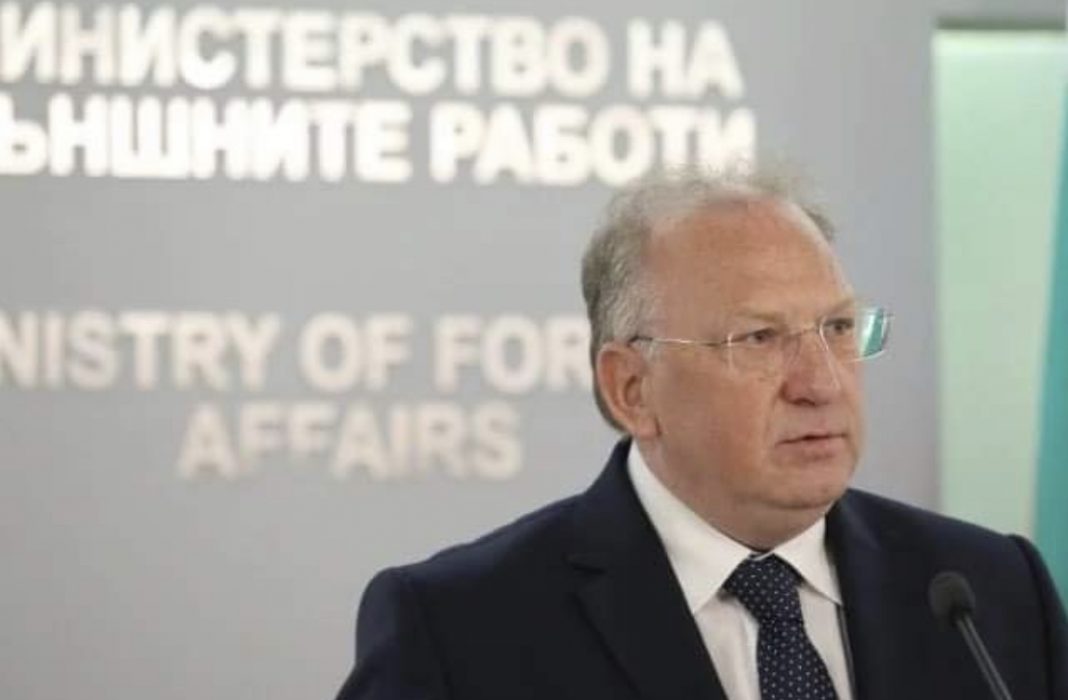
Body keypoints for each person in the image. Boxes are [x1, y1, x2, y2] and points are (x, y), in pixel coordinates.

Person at [335, 167, 1068, 699]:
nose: (821, 383)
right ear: (632, 388)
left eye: (839, 329)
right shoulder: (459, 630)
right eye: (759, 338)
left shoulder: (992, 593)